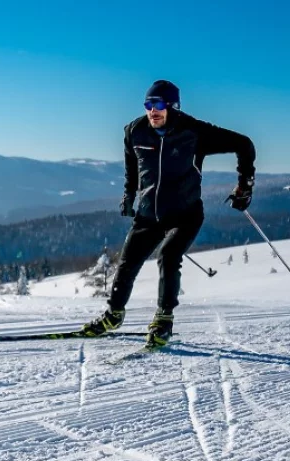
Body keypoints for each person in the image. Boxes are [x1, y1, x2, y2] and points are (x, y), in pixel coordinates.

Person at [81, 80, 256, 347]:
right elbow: (133, 169)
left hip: (186, 214)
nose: (153, 111)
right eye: (149, 105)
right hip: (149, 214)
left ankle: (164, 319)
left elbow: (244, 143)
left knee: (169, 255)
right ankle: (113, 315)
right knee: (127, 262)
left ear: (173, 107)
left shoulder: (194, 131)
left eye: (159, 105)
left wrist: (245, 185)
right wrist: (129, 195)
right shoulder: (134, 131)